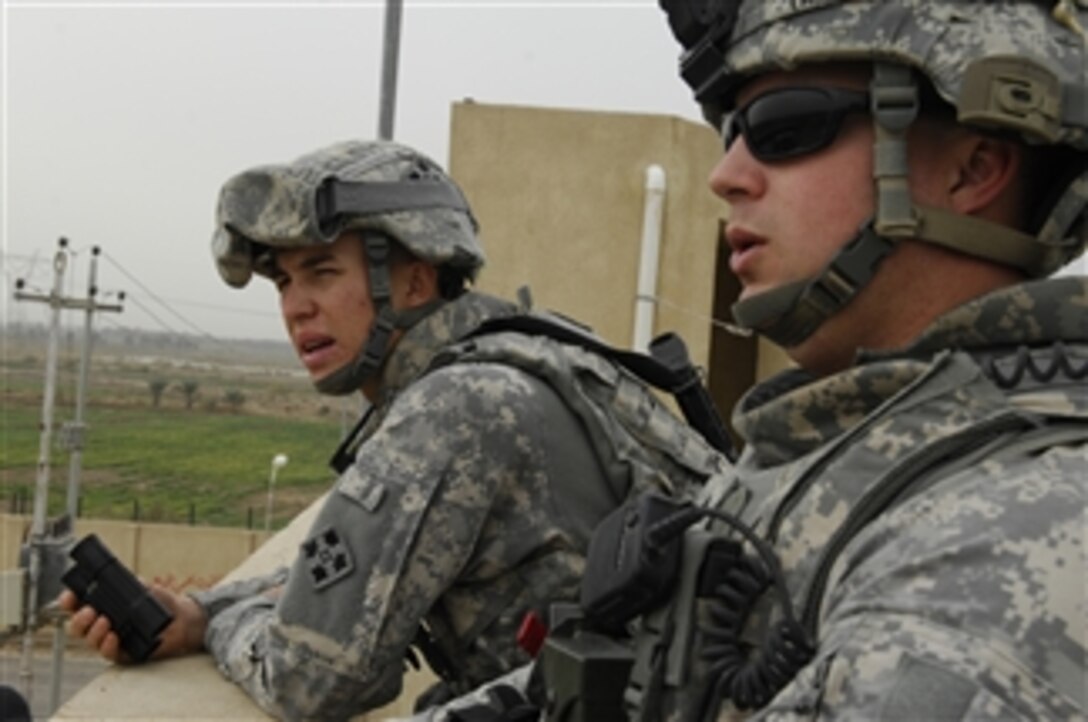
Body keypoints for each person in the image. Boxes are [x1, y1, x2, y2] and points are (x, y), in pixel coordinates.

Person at [400, 0, 1087, 720]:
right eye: (731, 134)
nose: (726, 175)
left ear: (974, 168)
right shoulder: (838, 450)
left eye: (784, 128)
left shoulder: (1006, 542)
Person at [58, 140, 730, 720]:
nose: (296, 308)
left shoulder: (453, 410)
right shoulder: (515, 353)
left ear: (413, 281)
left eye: (322, 273)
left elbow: (308, 680)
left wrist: (223, 626)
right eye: (285, 282)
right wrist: (199, 613)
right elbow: (362, 569)